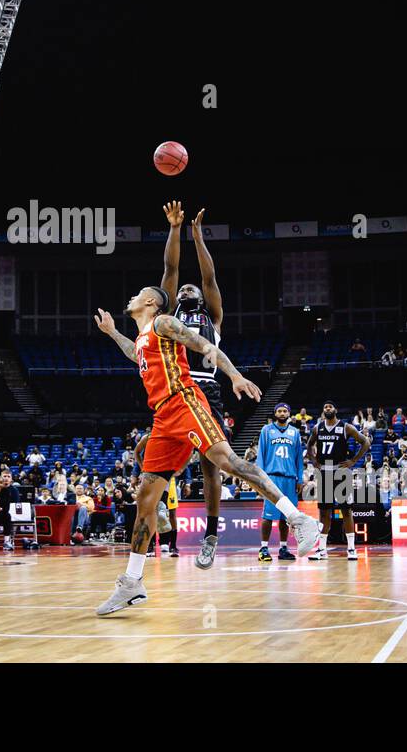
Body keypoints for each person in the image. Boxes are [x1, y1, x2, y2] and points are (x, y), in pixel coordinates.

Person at [93, 286, 320, 616]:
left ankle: (299, 519)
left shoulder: (164, 323)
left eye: (138, 293)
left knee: (227, 461)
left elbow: (204, 345)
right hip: (162, 418)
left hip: (185, 402)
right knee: (145, 499)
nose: (130, 296)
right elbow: (134, 353)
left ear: (150, 302)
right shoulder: (145, 338)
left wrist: (235, 375)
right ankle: (132, 583)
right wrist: (113, 332)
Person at [159, 200, 228, 569]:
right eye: (182, 288)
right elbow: (170, 267)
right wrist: (174, 229)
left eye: (191, 288)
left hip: (207, 390)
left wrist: (198, 237)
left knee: (210, 464)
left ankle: (211, 534)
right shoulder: (170, 316)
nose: (187, 287)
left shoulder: (211, 316)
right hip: (175, 389)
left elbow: (208, 279)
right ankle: (157, 507)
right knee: (149, 455)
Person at [306, 401, 372, 561]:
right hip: (324, 473)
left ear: (335, 410)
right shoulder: (317, 428)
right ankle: (321, 549)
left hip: (341, 472)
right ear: (323, 411)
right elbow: (309, 445)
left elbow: (365, 442)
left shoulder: (346, 427)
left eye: (330, 407)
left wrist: (353, 461)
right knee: (324, 513)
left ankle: (351, 548)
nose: (327, 409)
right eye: (325, 407)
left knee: (346, 510)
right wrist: (314, 461)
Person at [256, 403, 303, 562]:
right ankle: (263, 548)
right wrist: (260, 478)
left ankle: (283, 548)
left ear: (289, 414)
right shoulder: (266, 430)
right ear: (275, 413)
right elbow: (261, 455)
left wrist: (300, 479)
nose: (282, 413)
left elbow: (299, 458)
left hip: (289, 478)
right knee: (268, 516)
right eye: (279, 411)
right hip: (271, 478)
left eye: (285, 411)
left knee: (286, 516)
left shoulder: (295, 432)